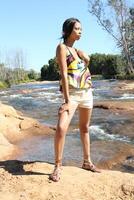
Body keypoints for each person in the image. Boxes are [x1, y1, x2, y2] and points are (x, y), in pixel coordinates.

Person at [50, 17, 101, 182]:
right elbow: (64, 74)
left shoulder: (78, 50)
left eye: (81, 29)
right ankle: (58, 166)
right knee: (61, 128)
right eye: (77, 29)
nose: (80, 31)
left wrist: (86, 58)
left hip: (86, 92)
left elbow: (83, 67)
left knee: (85, 128)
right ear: (67, 31)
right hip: (71, 94)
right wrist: (66, 100)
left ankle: (87, 161)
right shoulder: (62, 48)